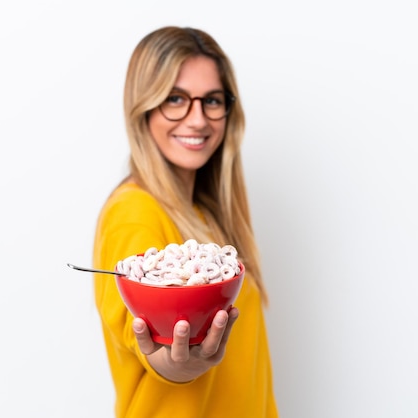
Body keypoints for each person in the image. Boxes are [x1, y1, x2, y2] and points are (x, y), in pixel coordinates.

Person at [92, 26, 278, 417]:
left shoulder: (205, 216)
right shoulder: (135, 213)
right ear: (143, 107)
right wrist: (178, 365)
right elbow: (145, 339)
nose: (197, 120)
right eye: (175, 99)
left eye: (211, 100)